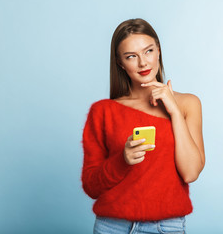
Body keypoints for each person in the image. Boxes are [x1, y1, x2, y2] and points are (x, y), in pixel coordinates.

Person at [81, 18, 205, 234]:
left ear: (158, 50)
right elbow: (91, 186)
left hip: (167, 227)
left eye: (148, 51)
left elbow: (191, 173)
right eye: (131, 56)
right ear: (120, 63)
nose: (143, 63)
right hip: (112, 227)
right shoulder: (102, 111)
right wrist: (123, 160)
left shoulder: (188, 104)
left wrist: (174, 110)